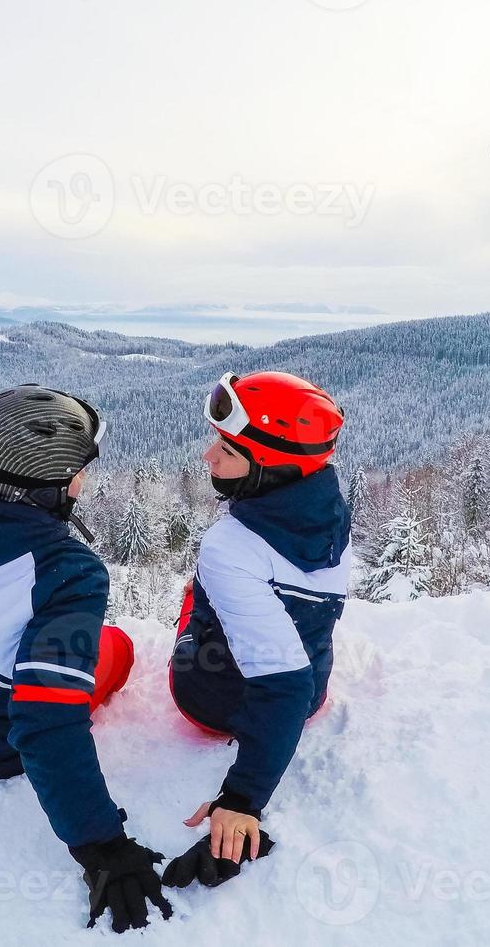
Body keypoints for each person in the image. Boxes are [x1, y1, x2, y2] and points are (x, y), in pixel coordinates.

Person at [0, 384, 171, 932]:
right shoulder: (68, 570)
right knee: (118, 647)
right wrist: (100, 845)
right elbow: (47, 723)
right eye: (80, 472)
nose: (83, 481)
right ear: (55, 488)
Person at [163, 371, 351, 890]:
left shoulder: (230, 545)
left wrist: (241, 800)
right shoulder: (329, 508)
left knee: (194, 595)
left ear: (266, 464)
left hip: (215, 703)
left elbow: (282, 685)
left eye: (226, 447)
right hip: (314, 691)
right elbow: (296, 684)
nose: (208, 456)